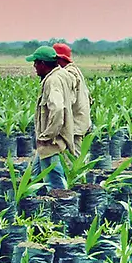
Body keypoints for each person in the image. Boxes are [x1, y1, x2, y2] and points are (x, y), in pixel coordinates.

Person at [26, 45, 73, 190]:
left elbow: (58, 109)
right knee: (36, 177)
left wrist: (47, 136)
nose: (34, 66)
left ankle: (62, 208)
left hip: (51, 143)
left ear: (43, 64)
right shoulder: (62, 75)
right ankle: (35, 207)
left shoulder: (52, 81)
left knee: (55, 182)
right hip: (48, 143)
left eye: (36, 63)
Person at [53, 42, 92, 154]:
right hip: (79, 123)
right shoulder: (74, 70)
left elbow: (68, 100)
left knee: (73, 161)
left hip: (75, 125)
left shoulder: (69, 74)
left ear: (59, 60)